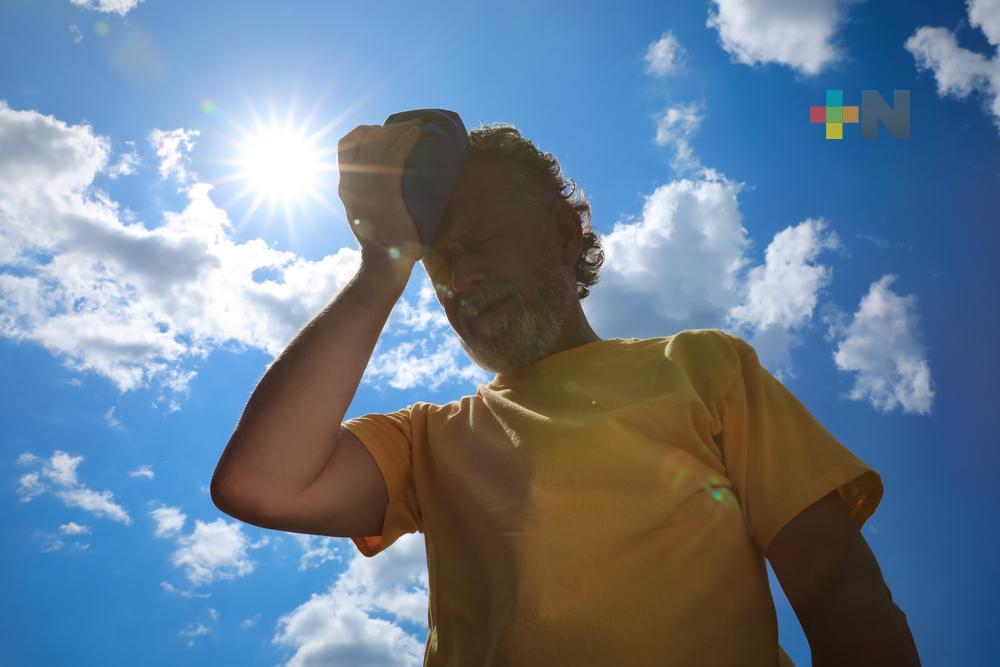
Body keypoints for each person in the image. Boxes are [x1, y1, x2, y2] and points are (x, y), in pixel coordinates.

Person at [211, 118, 921, 666]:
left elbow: (838, 589)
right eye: (437, 264)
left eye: (481, 239)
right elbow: (259, 483)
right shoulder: (427, 439)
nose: (460, 280)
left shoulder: (704, 367)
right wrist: (381, 264)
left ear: (560, 230)